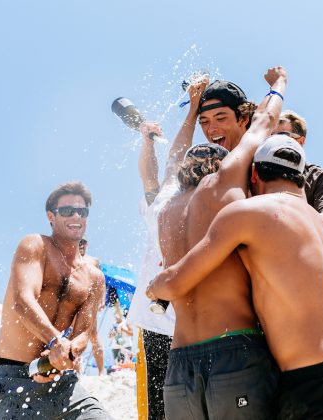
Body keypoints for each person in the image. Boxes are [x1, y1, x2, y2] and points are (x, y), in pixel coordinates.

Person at [148, 134, 323, 419]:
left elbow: (177, 281)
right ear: (300, 180)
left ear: (253, 173)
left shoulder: (245, 214)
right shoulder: (312, 218)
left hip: (307, 381)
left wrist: (155, 288)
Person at [147, 68, 287, 419]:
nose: (211, 131)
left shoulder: (167, 203)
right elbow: (265, 122)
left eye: (219, 119)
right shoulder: (227, 183)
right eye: (205, 123)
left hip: (179, 366)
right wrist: (279, 84)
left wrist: (192, 109)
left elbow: (175, 153)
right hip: (232, 351)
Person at [0, 181, 111, 419]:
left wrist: (66, 354)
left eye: (82, 212)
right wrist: (55, 342)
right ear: (51, 216)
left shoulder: (95, 277)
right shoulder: (35, 245)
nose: (75, 216)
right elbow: (22, 301)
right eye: (66, 211)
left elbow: (84, 332)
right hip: (11, 377)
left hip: (61, 379)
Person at [126, 78, 208, 420]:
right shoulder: (163, 202)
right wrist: (148, 141)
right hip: (157, 325)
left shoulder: (215, 207)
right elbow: (166, 162)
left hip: (201, 326)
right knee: (156, 413)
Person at [272, 110, 323, 233]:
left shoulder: (320, 177)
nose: (273, 141)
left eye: (282, 136)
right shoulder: (257, 169)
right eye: (270, 136)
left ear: (300, 141)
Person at [78, 237, 105, 375]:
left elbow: (101, 280)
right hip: (75, 299)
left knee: (93, 334)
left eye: (82, 242)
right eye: (78, 242)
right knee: (73, 336)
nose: (80, 244)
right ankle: (76, 371)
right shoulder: (69, 258)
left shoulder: (93, 260)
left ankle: (101, 371)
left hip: (90, 300)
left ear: (87, 244)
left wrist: (102, 299)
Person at [108, 300, 133, 366]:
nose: (116, 317)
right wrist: (112, 334)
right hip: (115, 346)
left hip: (126, 345)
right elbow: (109, 336)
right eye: (115, 316)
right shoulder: (113, 324)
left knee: (127, 363)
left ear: (121, 314)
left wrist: (123, 330)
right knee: (117, 364)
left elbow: (131, 333)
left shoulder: (126, 322)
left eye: (118, 315)